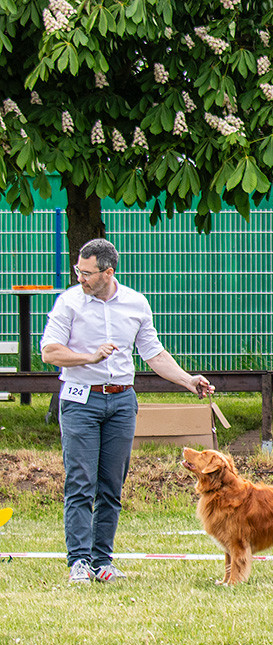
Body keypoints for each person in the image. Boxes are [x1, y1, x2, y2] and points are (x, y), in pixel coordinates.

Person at [41, 238, 214, 584]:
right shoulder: (69, 304)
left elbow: (154, 353)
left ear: (108, 272)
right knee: (80, 481)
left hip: (121, 402)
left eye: (87, 273)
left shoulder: (136, 303)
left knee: (111, 485)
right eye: (79, 270)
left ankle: (102, 560)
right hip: (79, 400)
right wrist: (88, 357)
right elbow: (49, 351)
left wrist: (187, 379)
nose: (81, 278)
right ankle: (78, 561)